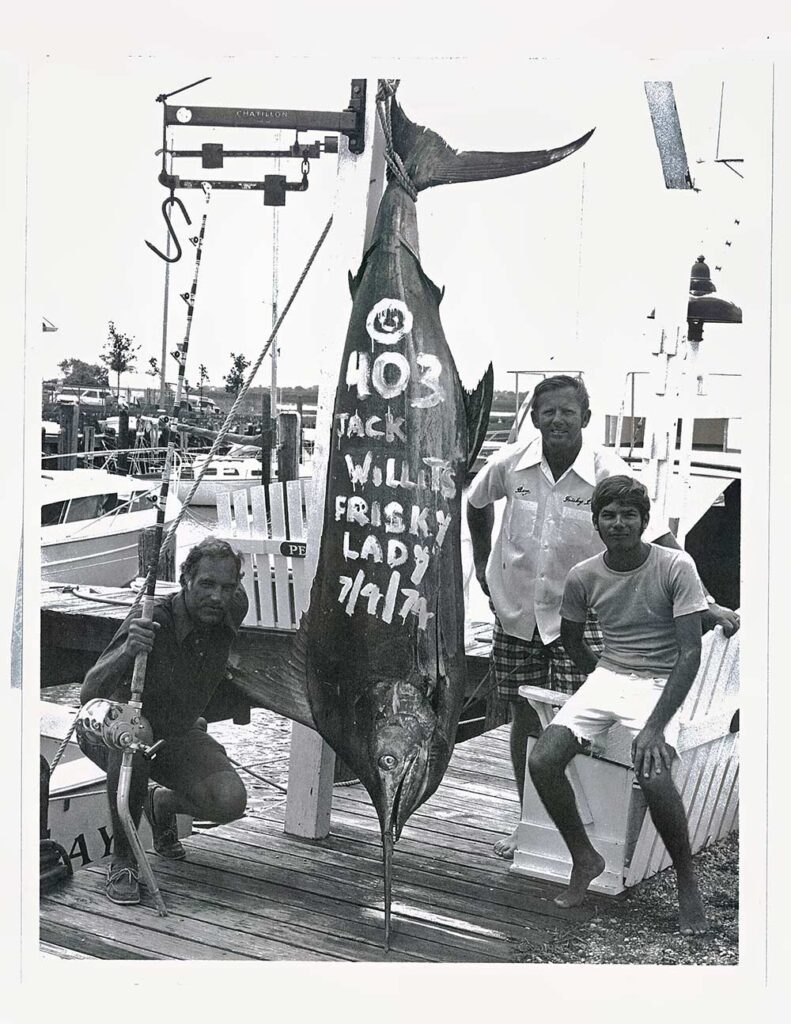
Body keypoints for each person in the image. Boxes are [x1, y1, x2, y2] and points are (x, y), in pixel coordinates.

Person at [466, 375, 739, 859]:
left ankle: (587, 825)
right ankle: (523, 820)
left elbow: (656, 537)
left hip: (577, 617)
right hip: (515, 611)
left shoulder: (606, 470)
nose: (556, 420)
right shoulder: (510, 463)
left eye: (567, 412)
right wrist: (484, 564)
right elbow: (475, 502)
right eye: (547, 411)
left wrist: (709, 601)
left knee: (580, 722)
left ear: (585, 419)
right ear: (533, 417)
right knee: (523, 717)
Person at [528, 475, 734, 933]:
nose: (619, 523)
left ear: (644, 521)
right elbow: (570, 637)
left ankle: (687, 885)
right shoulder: (583, 575)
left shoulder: (675, 566)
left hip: (662, 681)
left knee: (655, 774)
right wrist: (599, 679)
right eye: (609, 515)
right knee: (543, 758)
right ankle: (585, 857)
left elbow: (689, 653)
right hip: (608, 676)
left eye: (629, 515)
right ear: (596, 522)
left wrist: (654, 727)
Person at [79, 537, 249, 905]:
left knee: (230, 801)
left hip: (175, 732)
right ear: (185, 580)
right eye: (206, 584)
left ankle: (161, 806)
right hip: (116, 729)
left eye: (227, 586)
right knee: (138, 732)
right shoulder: (152, 618)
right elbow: (89, 691)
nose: (217, 597)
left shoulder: (234, 607)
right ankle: (124, 859)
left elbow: (232, 600)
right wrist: (128, 650)